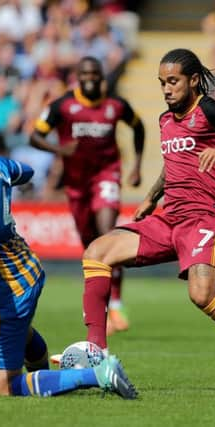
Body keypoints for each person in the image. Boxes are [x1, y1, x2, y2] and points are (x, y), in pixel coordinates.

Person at [80, 48, 215, 395]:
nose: (166, 89)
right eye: (161, 83)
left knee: (202, 296)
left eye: (173, 81)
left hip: (207, 216)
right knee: (97, 252)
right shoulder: (165, 120)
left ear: (193, 80)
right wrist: (152, 197)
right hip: (169, 216)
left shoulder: (212, 111)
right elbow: (175, 164)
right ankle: (98, 356)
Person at [0, 106, 137, 399]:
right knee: (20, 335)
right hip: (29, 270)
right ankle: (45, 379)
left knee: (1, 388)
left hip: (5, 288)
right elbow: (26, 171)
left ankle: (97, 374)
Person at [30, 56, 145, 336]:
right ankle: (104, 303)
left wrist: (137, 167)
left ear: (101, 75)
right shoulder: (63, 105)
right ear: (78, 77)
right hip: (77, 183)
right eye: (85, 73)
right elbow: (34, 136)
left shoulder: (115, 105)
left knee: (107, 234)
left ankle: (115, 304)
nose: (90, 77)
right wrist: (60, 151)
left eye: (95, 72)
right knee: (89, 243)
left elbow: (139, 128)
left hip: (107, 174)